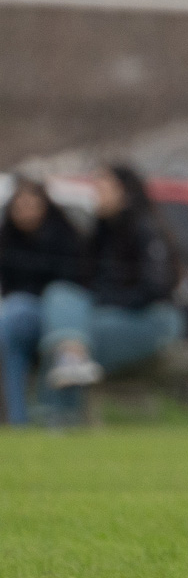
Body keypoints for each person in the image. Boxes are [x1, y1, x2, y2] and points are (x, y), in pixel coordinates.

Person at [39, 165, 185, 407]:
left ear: (124, 192)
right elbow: (82, 281)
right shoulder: (101, 232)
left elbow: (156, 288)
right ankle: (70, 367)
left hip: (151, 318)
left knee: (66, 344)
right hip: (112, 315)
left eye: (102, 188)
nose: (95, 195)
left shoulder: (146, 228)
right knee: (61, 301)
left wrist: (106, 301)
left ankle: (57, 419)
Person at [0, 178, 86, 425]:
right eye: (20, 204)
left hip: (60, 317)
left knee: (21, 321)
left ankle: (52, 414)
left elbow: (72, 283)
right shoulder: (7, 239)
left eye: (32, 203)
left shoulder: (64, 237)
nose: (26, 210)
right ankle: (17, 419)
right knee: (9, 328)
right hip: (20, 318)